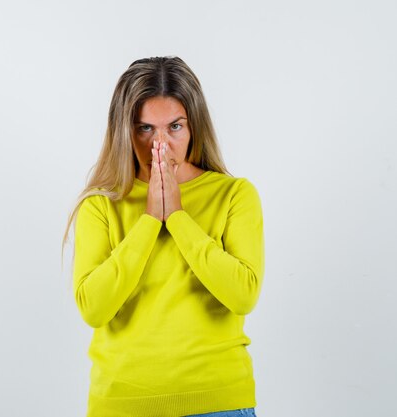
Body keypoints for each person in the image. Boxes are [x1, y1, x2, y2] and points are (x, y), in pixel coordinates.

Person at [63, 56, 265, 417]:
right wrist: (150, 220)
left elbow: (244, 295)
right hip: (122, 403)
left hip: (219, 401)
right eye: (145, 129)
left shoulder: (234, 195)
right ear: (124, 130)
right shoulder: (101, 204)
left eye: (174, 127)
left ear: (194, 127)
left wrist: (178, 217)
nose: (160, 143)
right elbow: (93, 309)